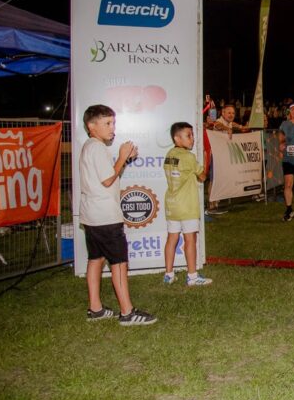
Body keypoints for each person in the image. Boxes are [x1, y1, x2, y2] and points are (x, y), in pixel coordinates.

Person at [79, 104, 157, 326]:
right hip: (105, 216)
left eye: (113, 123)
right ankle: (127, 312)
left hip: (92, 215)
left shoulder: (90, 146)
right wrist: (122, 156)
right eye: (107, 123)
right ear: (91, 126)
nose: (112, 128)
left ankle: (95, 308)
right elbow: (107, 180)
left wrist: (125, 160)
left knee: (96, 259)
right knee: (119, 263)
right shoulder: (97, 148)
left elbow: (107, 175)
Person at [162, 122, 212, 286]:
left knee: (171, 239)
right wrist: (205, 162)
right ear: (177, 138)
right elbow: (202, 176)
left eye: (192, 135)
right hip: (187, 206)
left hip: (172, 205)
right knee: (190, 240)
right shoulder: (188, 157)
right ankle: (192, 276)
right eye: (188, 135)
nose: (192, 139)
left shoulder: (169, 154)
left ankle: (168, 274)